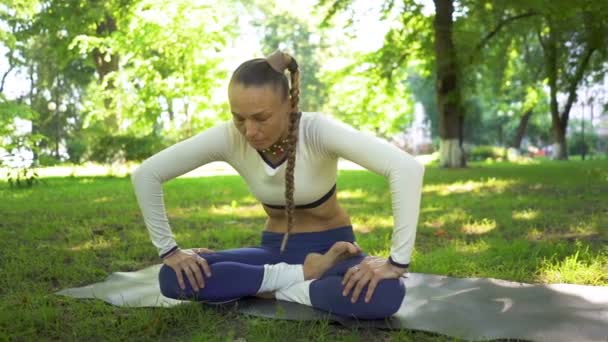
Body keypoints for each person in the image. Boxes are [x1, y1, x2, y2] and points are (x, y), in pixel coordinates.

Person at [130, 50, 425, 319]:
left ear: (290, 104)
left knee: (387, 294)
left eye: (262, 118)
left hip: (331, 252)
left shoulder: (317, 131)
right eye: (238, 118)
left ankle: (268, 286)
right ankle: (300, 276)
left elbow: (406, 168)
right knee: (172, 277)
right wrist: (171, 251)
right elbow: (147, 174)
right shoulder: (228, 138)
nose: (250, 131)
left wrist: (396, 263)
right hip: (273, 253)